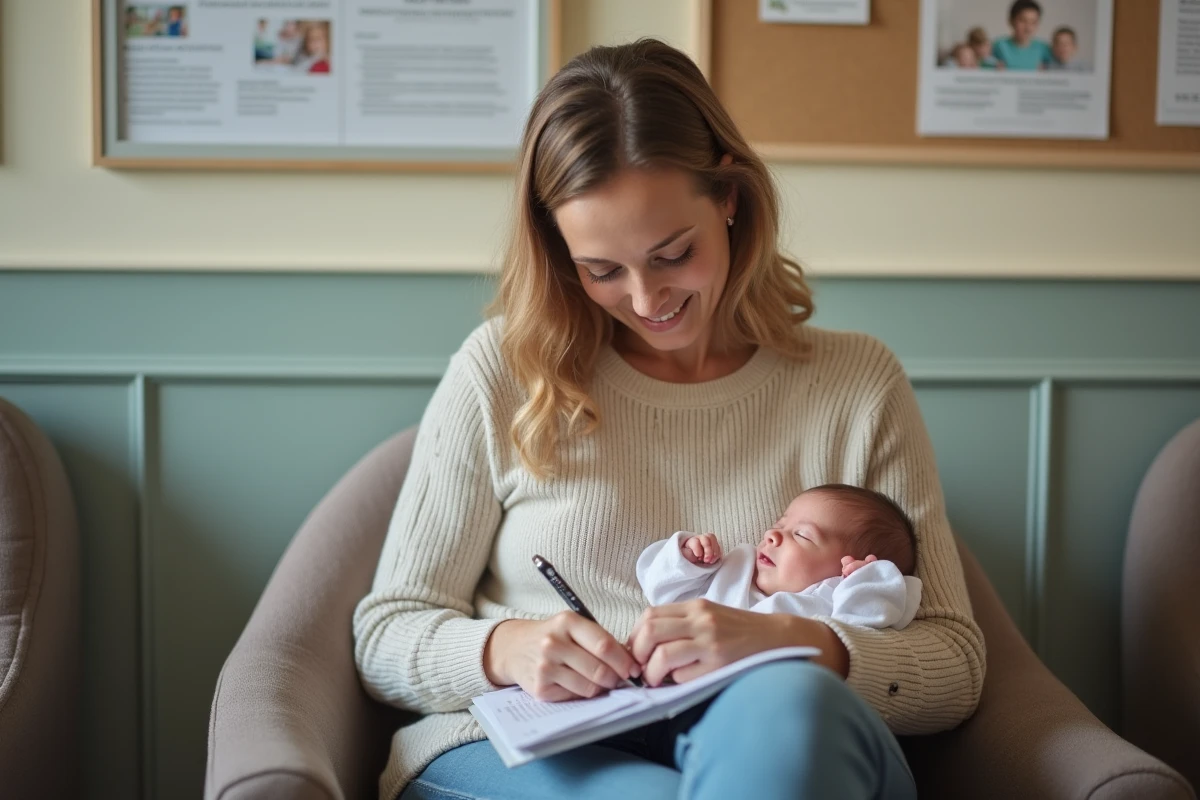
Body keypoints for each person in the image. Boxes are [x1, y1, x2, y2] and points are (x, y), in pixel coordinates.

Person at [353, 38, 985, 800]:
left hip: (770, 744)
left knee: (789, 705)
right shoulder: (502, 369)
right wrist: (508, 649)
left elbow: (953, 663)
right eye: (602, 271)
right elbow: (387, 633)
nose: (648, 301)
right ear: (560, 252)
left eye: (672, 253)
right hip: (526, 750)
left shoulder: (857, 384)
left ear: (729, 197)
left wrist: (792, 643)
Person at [637, 484, 923, 641]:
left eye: (800, 535)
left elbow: (866, 628)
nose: (772, 535)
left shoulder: (833, 602)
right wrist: (687, 560)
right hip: (668, 694)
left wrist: (867, 582)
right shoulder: (733, 572)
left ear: (845, 569)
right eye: (779, 524)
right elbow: (661, 592)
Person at [992, 0, 1053, 70]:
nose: (1028, 28)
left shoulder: (1044, 49)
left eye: (1033, 22)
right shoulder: (998, 46)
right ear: (1011, 21)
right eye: (1023, 21)